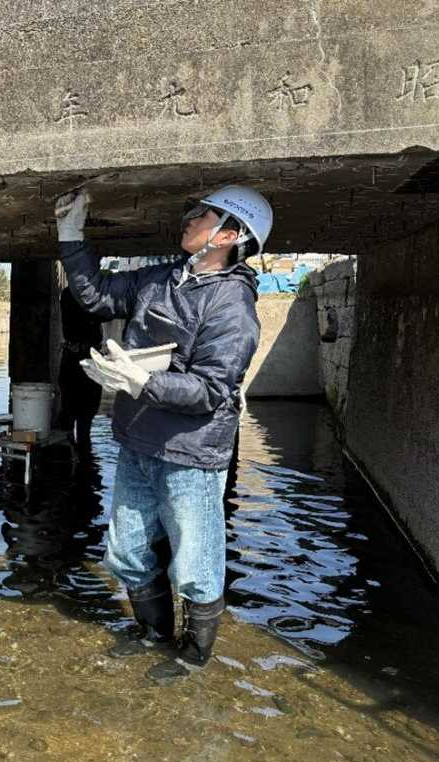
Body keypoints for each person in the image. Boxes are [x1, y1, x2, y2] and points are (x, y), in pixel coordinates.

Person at [53, 184, 271, 682]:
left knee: (194, 560)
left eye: (202, 214)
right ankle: (152, 633)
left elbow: (212, 390)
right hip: (136, 439)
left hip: (192, 452)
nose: (189, 219)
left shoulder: (232, 306)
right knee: (126, 549)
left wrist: (143, 380)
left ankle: (195, 652)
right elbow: (96, 295)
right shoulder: (163, 278)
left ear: (228, 234)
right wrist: (71, 234)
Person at [56, 275, 104, 449]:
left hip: (78, 356)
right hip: (84, 357)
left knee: (74, 411)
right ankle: (80, 455)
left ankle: (70, 452)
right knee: (82, 413)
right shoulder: (80, 295)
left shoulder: (68, 294)